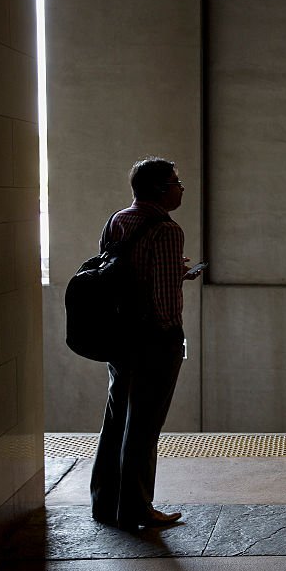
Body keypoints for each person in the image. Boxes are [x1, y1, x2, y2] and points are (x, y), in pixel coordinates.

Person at [91, 156, 201, 530]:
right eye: (175, 181)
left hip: (117, 335)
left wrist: (172, 274)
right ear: (159, 189)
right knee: (144, 425)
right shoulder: (167, 230)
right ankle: (138, 509)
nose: (181, 187)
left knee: (116, 418)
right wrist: (174, 336)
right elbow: (164, 300)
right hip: (154, 340)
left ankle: (105, 503)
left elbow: (119, 273)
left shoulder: (118, 220)